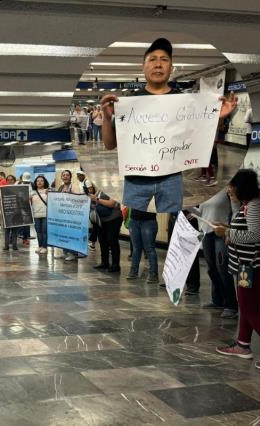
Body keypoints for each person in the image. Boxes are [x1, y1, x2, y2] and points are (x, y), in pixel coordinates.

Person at [101, 37, 238, 215]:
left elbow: (200, 141)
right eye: (152, 59)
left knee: (173, 223)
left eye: (164, 60)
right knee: (134, 225)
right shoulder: (129, 102)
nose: (158, 64)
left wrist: (217, 118)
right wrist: (106, 117)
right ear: (143, 67)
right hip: (136, 179)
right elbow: (109, 144)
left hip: (171, 178)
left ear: (171, 68)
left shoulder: (186, 102)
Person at [215, 169, 260, 369]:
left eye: (232, 185)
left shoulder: (255, 205)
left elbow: (254, 235)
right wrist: (227, 227)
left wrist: (228, 232)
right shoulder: (247, 205)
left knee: (250, 308)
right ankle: (242, 345)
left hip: (251, 267)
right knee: (245, 305)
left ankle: (243, 345)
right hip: (243, 266)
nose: (229, 189)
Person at [188, 190, 238, 318]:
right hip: (206, 232)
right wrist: (186, 205)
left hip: (220, 233)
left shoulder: (227, 191)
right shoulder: (206, 191)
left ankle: (231, 305)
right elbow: (202, 213)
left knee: (223, 269)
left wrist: (229, 230)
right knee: (212, 269)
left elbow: (235, 211)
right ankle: (217, 300)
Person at [89, 186, 123, 273]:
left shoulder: (116, 188)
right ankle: (104, 262)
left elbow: (111, 203)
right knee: (102, 241)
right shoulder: (100, 189)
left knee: (112, 241)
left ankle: (115, 265)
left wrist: (96, 199)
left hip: (113, 218)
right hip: (102, 219)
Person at [127, 209, 160, 284]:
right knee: (136, 248)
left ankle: (153, 274)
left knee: (149, 248)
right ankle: (133, 272)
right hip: (134, 219)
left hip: (149, 220)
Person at [54, 170, 78, 261]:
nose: (65, 176)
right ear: (61, 177)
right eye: (63, 175)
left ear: (70, 177)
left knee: (71, 234)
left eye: (67, 175)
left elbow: (79, 198)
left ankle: (72, 253)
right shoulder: (60, 187)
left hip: (72, 216)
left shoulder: (74, 187)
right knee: (63, 234)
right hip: (62, 215)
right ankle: (65, 252)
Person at [1, 175, 19, 252]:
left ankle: (15, 245)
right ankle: (6, 245)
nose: (10, 181)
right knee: (7, 230)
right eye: (8, 180)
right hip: (6, 212)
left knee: (15, 230)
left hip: (16, 212)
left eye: (11, 180)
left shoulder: (18, 188)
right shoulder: (3, 189)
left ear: (14, 181)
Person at [31, 175, 49, 254]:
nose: (39, 182)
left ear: (44, 182)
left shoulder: (48, 191)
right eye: (38, 181)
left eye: (41, 180)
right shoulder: (32, 192)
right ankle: (40, 246)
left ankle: (45, 247)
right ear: (35, 182)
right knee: (38, 232)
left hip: (46, 214)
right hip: (36, 215)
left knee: (44, 232)